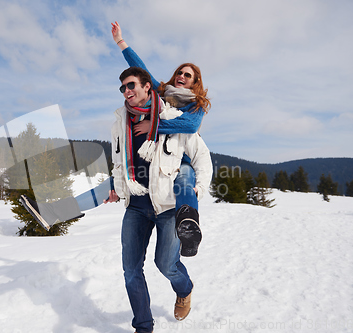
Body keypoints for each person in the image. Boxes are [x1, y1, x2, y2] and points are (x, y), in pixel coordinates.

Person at [104, 66, 212, 333]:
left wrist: (198, 187)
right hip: (137, 207)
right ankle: (143, 326)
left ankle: (184, 288)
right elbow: (119, 161)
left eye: (131, 86)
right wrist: (117, 187)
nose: (127, 92)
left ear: (147, 87)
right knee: (131, 271)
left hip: (166, 206)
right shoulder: (120, 123)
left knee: (166, 264)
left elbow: (200, 156)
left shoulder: (173, 118)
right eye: (123, 88)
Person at [111, 21, 211, 256]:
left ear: (195, 82)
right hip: (160, 155)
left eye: (188, 75)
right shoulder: (163, 92)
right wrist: (120, 42)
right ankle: (57, 209)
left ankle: (189, 227)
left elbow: (190, 125)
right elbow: (140, 70)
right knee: (117, 180)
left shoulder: (196, 105)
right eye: (179, 72)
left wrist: (153, 127)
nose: (182, 76)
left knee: (184, 183)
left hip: (183, 155)